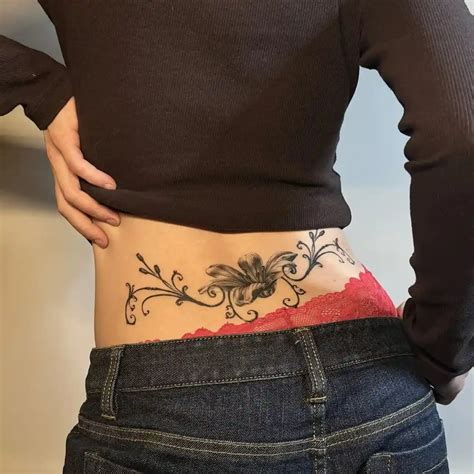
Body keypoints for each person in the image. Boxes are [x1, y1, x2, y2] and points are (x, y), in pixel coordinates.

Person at [1, 0, 472, 472]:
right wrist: (444, 349)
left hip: (170, 400)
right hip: (375, 383)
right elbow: (464, 125)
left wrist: (41, 89)